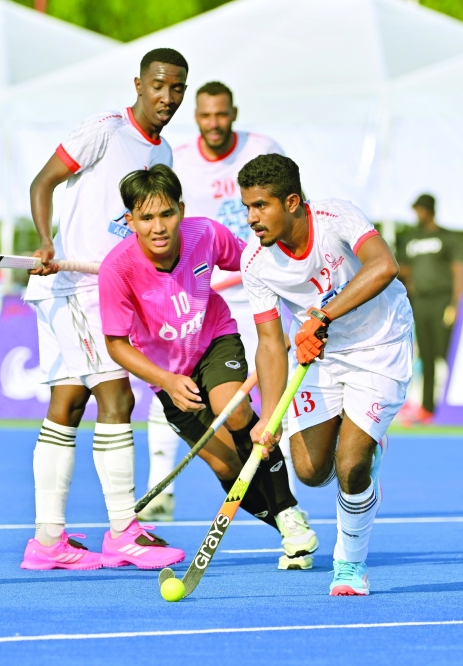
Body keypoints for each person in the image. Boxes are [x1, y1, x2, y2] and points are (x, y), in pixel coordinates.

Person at [20, 48, 189, 571]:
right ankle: (122, 532)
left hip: (110, 292)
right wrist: (45, 240)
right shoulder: (106, 130)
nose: (167, 97)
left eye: (177, 88)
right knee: (116, 396)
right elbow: (42, 182)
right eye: (159, 85)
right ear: (138, 83)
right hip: (73, 286)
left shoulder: (165, 158)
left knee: (67, 405)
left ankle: (47, 542)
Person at [100, 165, 318, 570]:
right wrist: (164, 379)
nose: (158, 227)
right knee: (225, 466)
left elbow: (257, 261)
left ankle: (287, 510)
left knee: (234, 409)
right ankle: (289, 528)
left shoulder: (206, 234)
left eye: (167, 214)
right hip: (167, 374)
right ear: (129, 221)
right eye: (146, 218)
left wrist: (297, 311)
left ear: (181, 210)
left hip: (214, 340)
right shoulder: (117, 269)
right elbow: (115, 344)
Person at [239, 154, 414, 596]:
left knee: (352, 465)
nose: (251, 218)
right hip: (321, 355)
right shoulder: (255, 261)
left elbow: (384, 266)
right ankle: (360, 434)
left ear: (292, 202)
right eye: (247, 207)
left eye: (261, 206)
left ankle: (350, 567)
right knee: (312, 472)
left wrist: (321, 314)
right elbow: (269, 341)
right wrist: (269, 416)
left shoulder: (337, 218)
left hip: (381, 344)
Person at [140, 80, 289, 523]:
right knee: (169, 385)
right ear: (197, 117)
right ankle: (160, 484)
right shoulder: (179, 159)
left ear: (234, 113)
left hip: (260, 291)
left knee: (260, 396)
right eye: (205, 116)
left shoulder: (262, 147)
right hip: (203, 299)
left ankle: (281, 488)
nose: (213, 124)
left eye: (221, 115)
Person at [395, 194, 463, 425]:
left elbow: (458, 270)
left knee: (445, 352)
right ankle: (427, 407)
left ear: (430, 210)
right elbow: (402, 267)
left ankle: (459, 403)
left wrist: (455, 303)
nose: (418, 213)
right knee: (425, 354)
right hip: (420, 301)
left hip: (442, 300)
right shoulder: (411, 238)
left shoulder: (446, 237)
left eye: (421, 209)